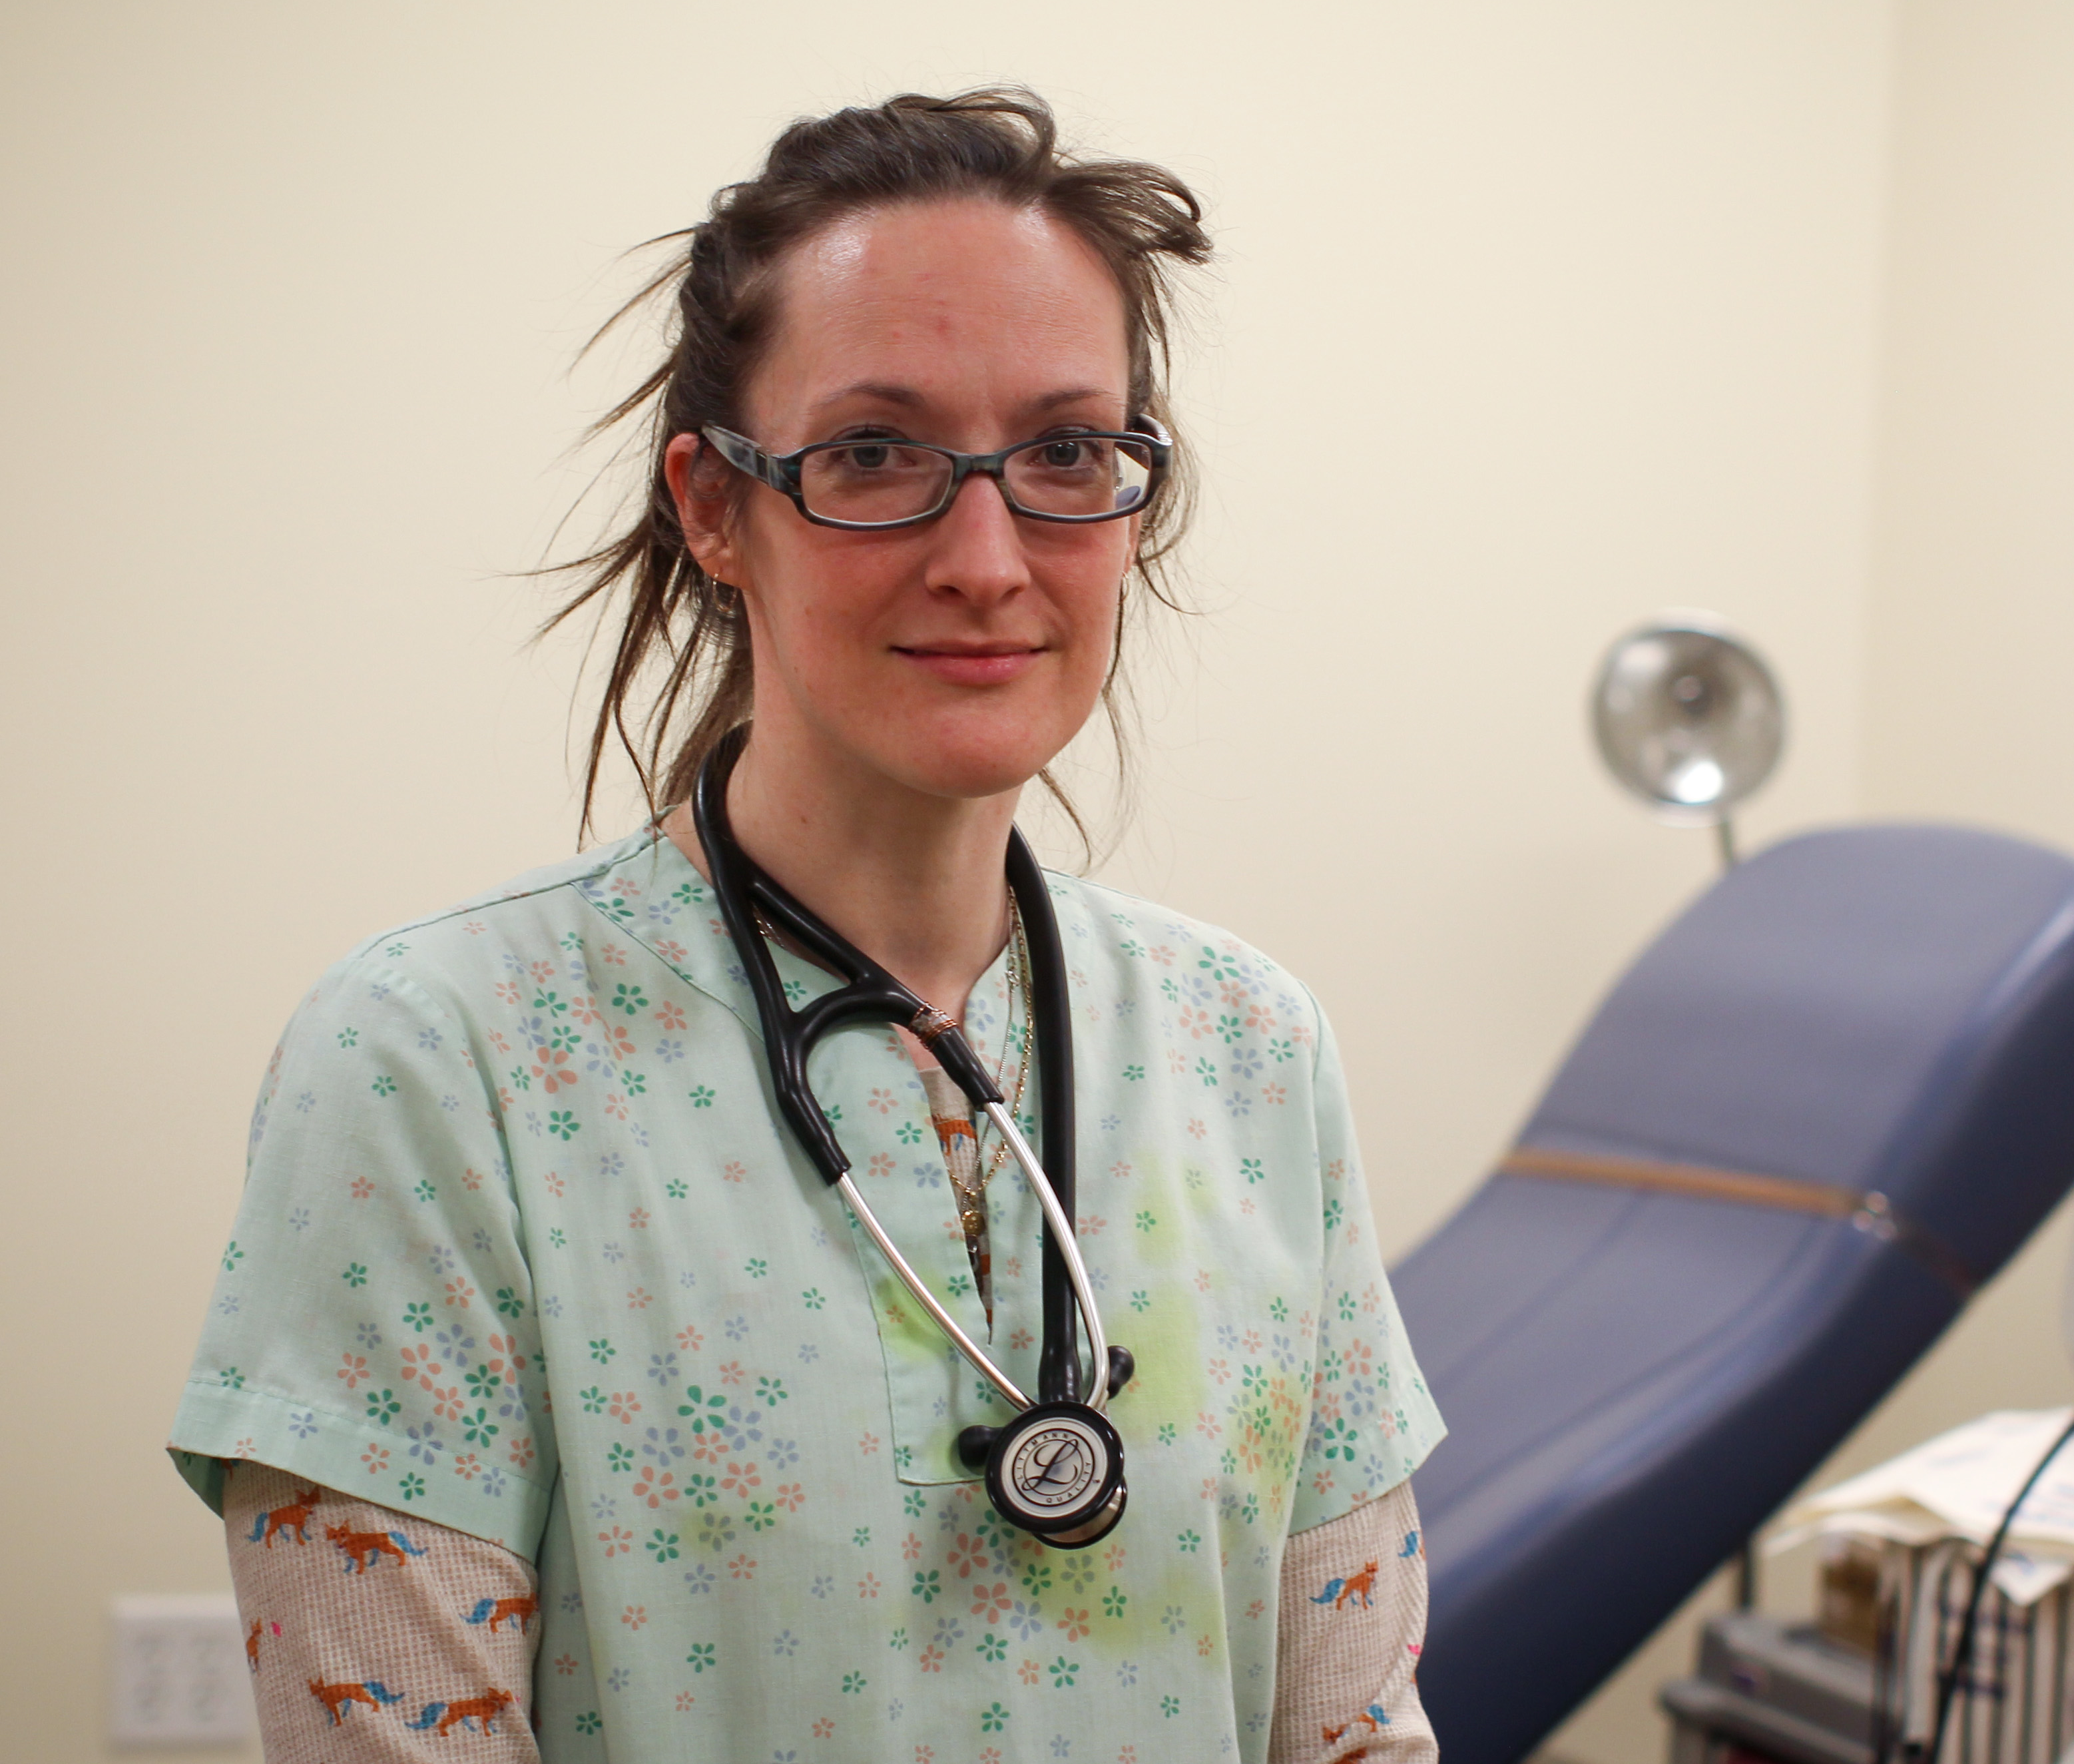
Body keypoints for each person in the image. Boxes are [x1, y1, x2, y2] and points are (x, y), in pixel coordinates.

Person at [171, 89, 1445, 1763]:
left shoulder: (1251, 1048)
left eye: (1068, 453)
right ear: (715, 505)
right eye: (875, 455)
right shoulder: (438, 1062)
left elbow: (1357, 1730)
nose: (987, 557)